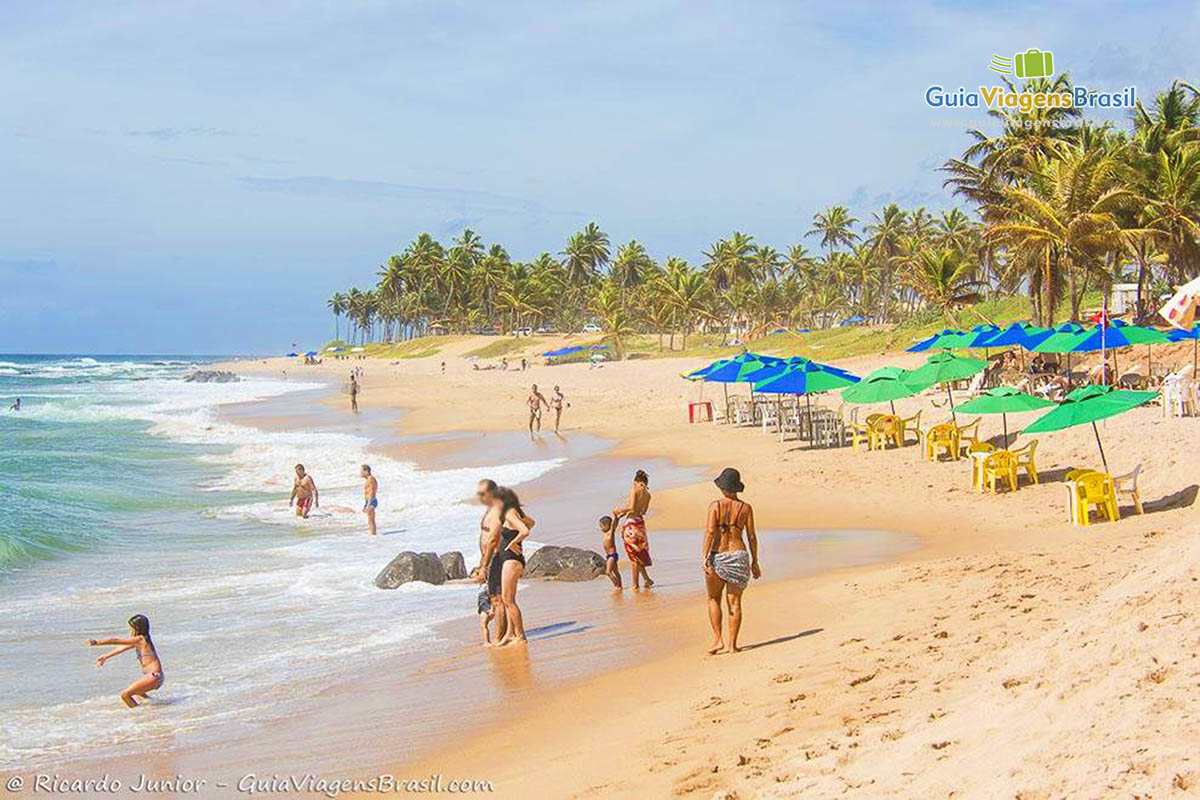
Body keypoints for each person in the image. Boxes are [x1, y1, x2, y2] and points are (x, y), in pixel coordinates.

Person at [701, 468, 761, 655]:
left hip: (718, 556)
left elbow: (711, 531)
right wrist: (755, 561)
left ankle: (718, 639)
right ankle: (732, 645)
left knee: (713, 598)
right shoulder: (746, 508)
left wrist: (704, 555)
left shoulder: (715, 506)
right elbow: (751, 536)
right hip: (739, 555)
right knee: (734, 603)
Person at [85, 614, 164, 708]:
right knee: (139, 693)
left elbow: (114, 640)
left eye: (131, 628)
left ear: (137, 628)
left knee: (125, 695)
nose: (130, 630)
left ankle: (140, 714)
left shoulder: (140, 639)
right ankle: (158, 709)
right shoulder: (142, 640)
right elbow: (122, 648)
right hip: (156, 677)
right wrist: (106, 656)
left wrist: (97, 642)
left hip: (153, 677)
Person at [490, 486, 534, 646]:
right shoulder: (514, 511)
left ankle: (520, 636)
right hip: (512, 559)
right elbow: (531, 523)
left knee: (508, 600)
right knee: (509, 599)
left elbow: (525, 530)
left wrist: (513, 543)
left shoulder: (509, 512)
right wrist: (517, 540)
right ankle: (510, 634)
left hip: (511, 559)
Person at [472, 479, 506, 646]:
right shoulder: (491, 510)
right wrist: (481, 563)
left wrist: (484, 566)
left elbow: (493, 539)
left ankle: (500, 638)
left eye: (482, 493)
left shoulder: (497, 511)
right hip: (489, 558)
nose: (480, 496)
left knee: (497, 600)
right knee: (497, 599)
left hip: (495, 559)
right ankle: (505, 634)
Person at [613, 469, 653, 589]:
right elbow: (642, 511)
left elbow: (631, 507)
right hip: (640, 524)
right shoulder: (648, 494)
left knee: (633, 556)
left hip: (631, 525)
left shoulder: (634, 489)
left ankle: (635, 584)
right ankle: (646, 579)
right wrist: (624, 513)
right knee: (638, 554)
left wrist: (619, 510)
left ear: (635, 481)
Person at [599, 515, 622, 589]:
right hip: (609, 556)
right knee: (615, 572)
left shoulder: (610, 533)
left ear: (606, 525)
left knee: (608, 572)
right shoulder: (606, 534)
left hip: (612, 556)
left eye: (601, 526)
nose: (601, 528)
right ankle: (620, 585)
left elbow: (614, 525)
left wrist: (616, 517)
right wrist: (617, 518)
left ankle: (617, 585)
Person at [361, 464, 378, 535]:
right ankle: (373, 535)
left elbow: (371, 492)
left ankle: (373, 535)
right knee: (370, 520)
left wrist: (368, 504)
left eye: (362, 471)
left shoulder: (370, 479)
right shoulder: (368, 479)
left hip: (371, 500)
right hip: (368, 501)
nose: (360, 473)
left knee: (371, 520)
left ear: (366, 471)